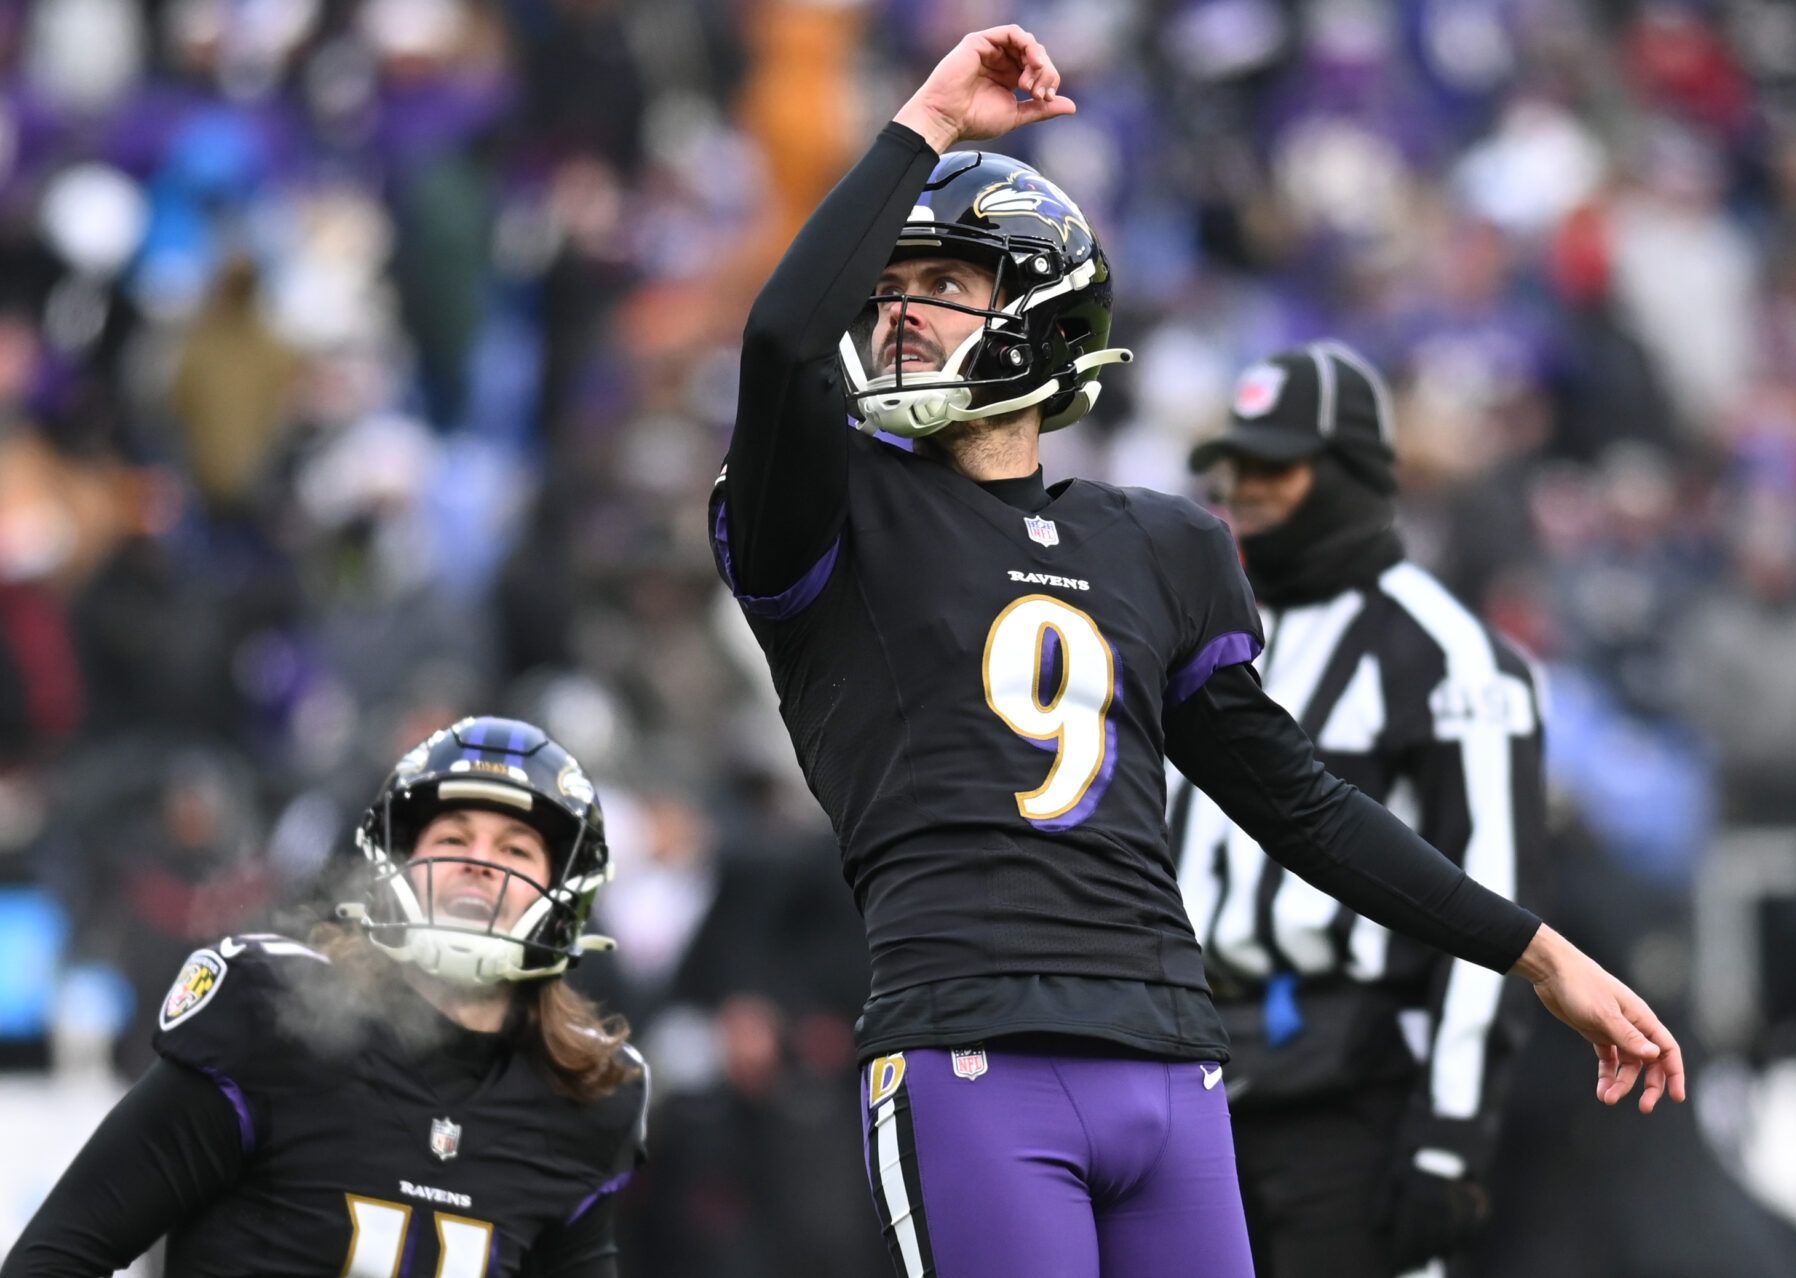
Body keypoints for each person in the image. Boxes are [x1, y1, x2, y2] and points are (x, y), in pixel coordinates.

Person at [709, 25, 1682, 1278]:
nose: (897, 314)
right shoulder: (840, 512)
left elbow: (1304, 805)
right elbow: (785, 338)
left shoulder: (1160, 544)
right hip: (974, 1050)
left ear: (1042, 307)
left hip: (1173, 1064)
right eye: (891, 287)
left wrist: (1536, 952)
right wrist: (932, 119)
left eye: (944, 285)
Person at [1, 716, 649, 1278]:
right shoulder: (272, 1013)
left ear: (565, 895)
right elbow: (55, 1258)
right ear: (394, 865)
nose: (480, 863)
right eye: (453, 839)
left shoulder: (581, 1096)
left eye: (516, 850)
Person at [1171, 345, 1544, 1277]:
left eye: (1276, 467)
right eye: (1236, 466)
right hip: (1192, 1079)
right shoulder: (1201, 626)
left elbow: (1494, 903)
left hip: (1355, 1091)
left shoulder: (1450, 657)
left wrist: (1452, 1130)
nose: (1243, 490)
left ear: (1350, 473)